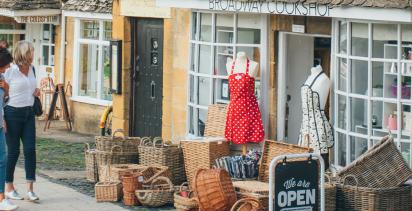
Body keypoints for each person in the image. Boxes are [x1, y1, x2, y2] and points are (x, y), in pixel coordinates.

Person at [4, 40, 39, 202]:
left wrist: (36, 91)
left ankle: (30, 189)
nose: (33, 55)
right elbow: (2, 93)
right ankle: (9, 187)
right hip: (11, 114)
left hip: (28, 114)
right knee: (13, 152)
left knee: (30, 150)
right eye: (31, 52)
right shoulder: (9, 71)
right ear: (24, 54)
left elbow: (31, 88)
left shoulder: (32, 69)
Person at [0, 48, 18, 210]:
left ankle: (1, 199)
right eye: (5, 66)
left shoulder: (1, 79)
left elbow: (3, 102)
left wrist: (6, 91)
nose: (7, 68)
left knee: (2, 160)